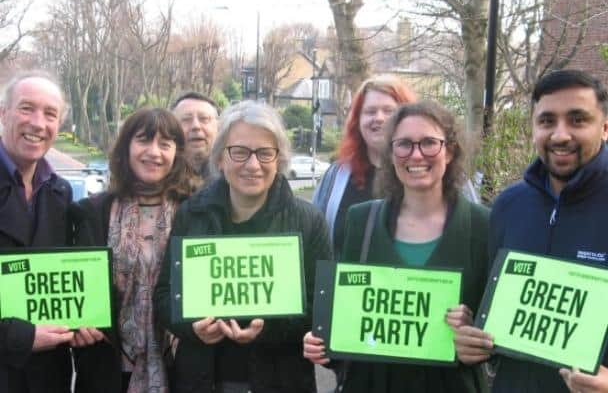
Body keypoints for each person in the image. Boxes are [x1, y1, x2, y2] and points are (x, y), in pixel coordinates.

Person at [304, 100, 490, 393]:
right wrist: (323, 346)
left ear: (450, 150)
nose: (416, 155)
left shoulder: (484, 226)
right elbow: (349, 325)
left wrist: (474, 332)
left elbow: (495, 336)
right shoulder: (361, 221)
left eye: (429, 143)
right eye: (404, 144)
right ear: (391, 153)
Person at [154, 100, 332, 393]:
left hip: (281, 381)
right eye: (239, 152)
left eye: (264, 153)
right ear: (221, 159)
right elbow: (164, 297)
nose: (252, 165)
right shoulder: (191, 214)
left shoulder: (309, 221)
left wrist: (267, 329)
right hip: (201, 380)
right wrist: (191, 327)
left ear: (279, 159)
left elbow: (322, 310)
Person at [454, 69, 608, 392]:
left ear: (605, 127)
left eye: (577, 120)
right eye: (547, 121)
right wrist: (470, 340)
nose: (560, 135)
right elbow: (491, 315)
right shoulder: (508, 206)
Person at [68, 107, 197, 393]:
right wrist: (76, 327)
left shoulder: (196, 211)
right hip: (107, 372)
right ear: (126, 147)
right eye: (143, 140)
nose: (154, 152)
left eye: (165, 144)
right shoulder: (91, 213)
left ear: (177, 153)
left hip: (180, 371)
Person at [0, 70, 75, 393]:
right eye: (26, 108)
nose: (38, 123)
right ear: (3, 113)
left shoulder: (61, 193)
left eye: (50, 114)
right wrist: (20, 337)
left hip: (49, 378)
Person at [312, 75, 417, 258]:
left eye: (388, 111)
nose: (379, 118)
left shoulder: (431, 172)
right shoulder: (336, 176)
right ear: (357, 120)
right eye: (370, 111)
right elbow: (315, 238)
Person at [172, 92, 220, 181]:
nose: (196, 126)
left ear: (218, 127)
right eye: (186, 119)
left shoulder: (232, 179)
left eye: (204, 118)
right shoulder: (158, 178)